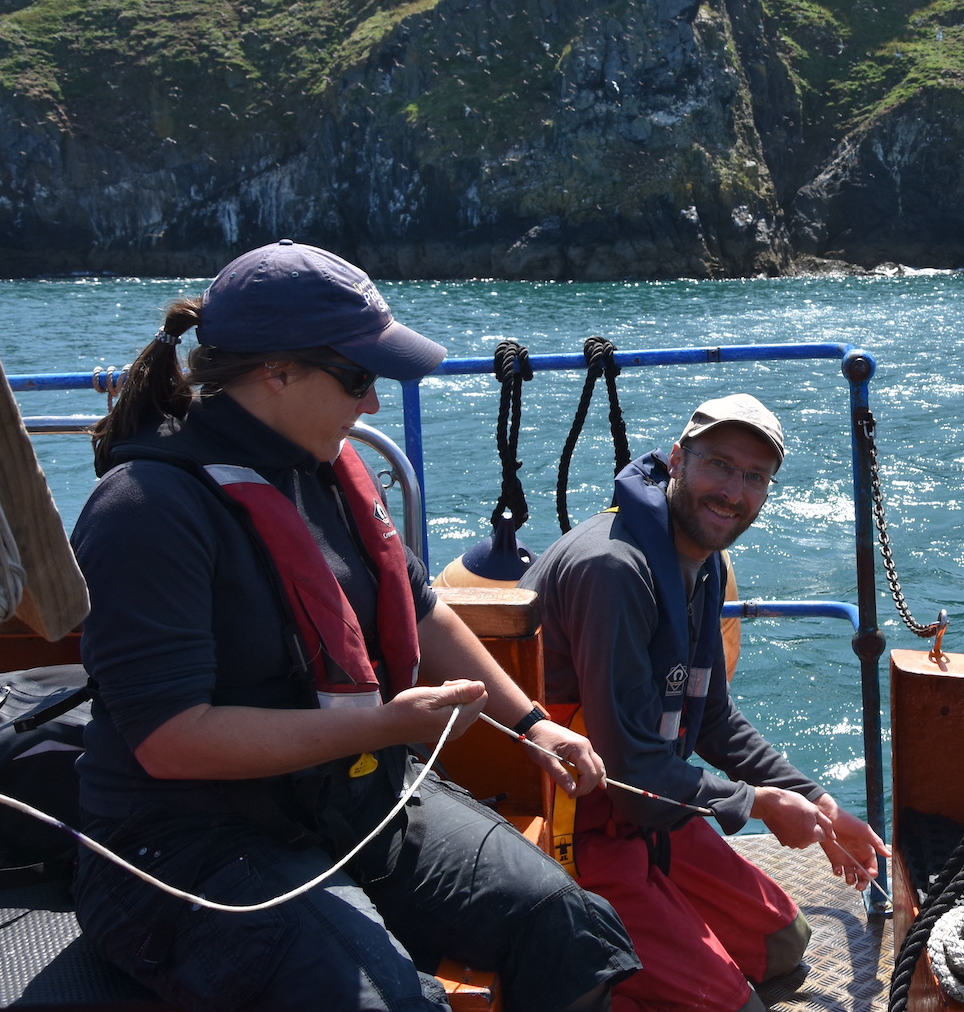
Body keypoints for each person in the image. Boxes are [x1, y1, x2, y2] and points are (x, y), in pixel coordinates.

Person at [70, 240, 639, 1012]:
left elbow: (425, 608)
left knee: (570, 928)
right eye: (357, 376)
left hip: (346, 803)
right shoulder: (146, 510)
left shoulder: (326, 469)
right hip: (183, 849)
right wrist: (381, 726)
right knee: (386, 1001)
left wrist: (534, 723)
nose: (372, 403)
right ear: (276, 371)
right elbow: (170, 738)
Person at [524, 394, 890, 1012]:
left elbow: (713, 718)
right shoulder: (613, 571)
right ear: (676, 461)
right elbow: (629, 772)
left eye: (754, 478)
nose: (733, 491)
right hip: (573, 823)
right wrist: (754, 804)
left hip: (646, 814)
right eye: (717, 465)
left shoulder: (703, 561)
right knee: (733, 1006)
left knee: (783, 945)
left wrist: (814, 799)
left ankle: (655, 929)